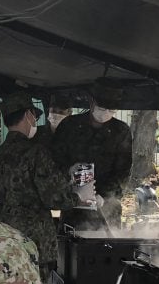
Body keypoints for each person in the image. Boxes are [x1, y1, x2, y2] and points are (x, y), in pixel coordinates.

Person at [0, 90, 94, 284]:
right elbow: (54, 198)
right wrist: (78, 196)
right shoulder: (35, 152)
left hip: (4, 235)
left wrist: (63, 175)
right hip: (33, 240)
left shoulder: (0, 154)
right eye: (34, 117)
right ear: (28, 115)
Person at [52, 80, 132, 229]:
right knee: (72, 240)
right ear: (91, 102)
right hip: (74, 207)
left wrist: (104, 196)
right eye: (102, 108)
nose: (106, 112)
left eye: (111, 109)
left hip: (107, 211)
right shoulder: (69, 126)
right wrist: (68, 172)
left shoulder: (121, 131)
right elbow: (54, 162)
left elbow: (123, 172)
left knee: (107, 242)